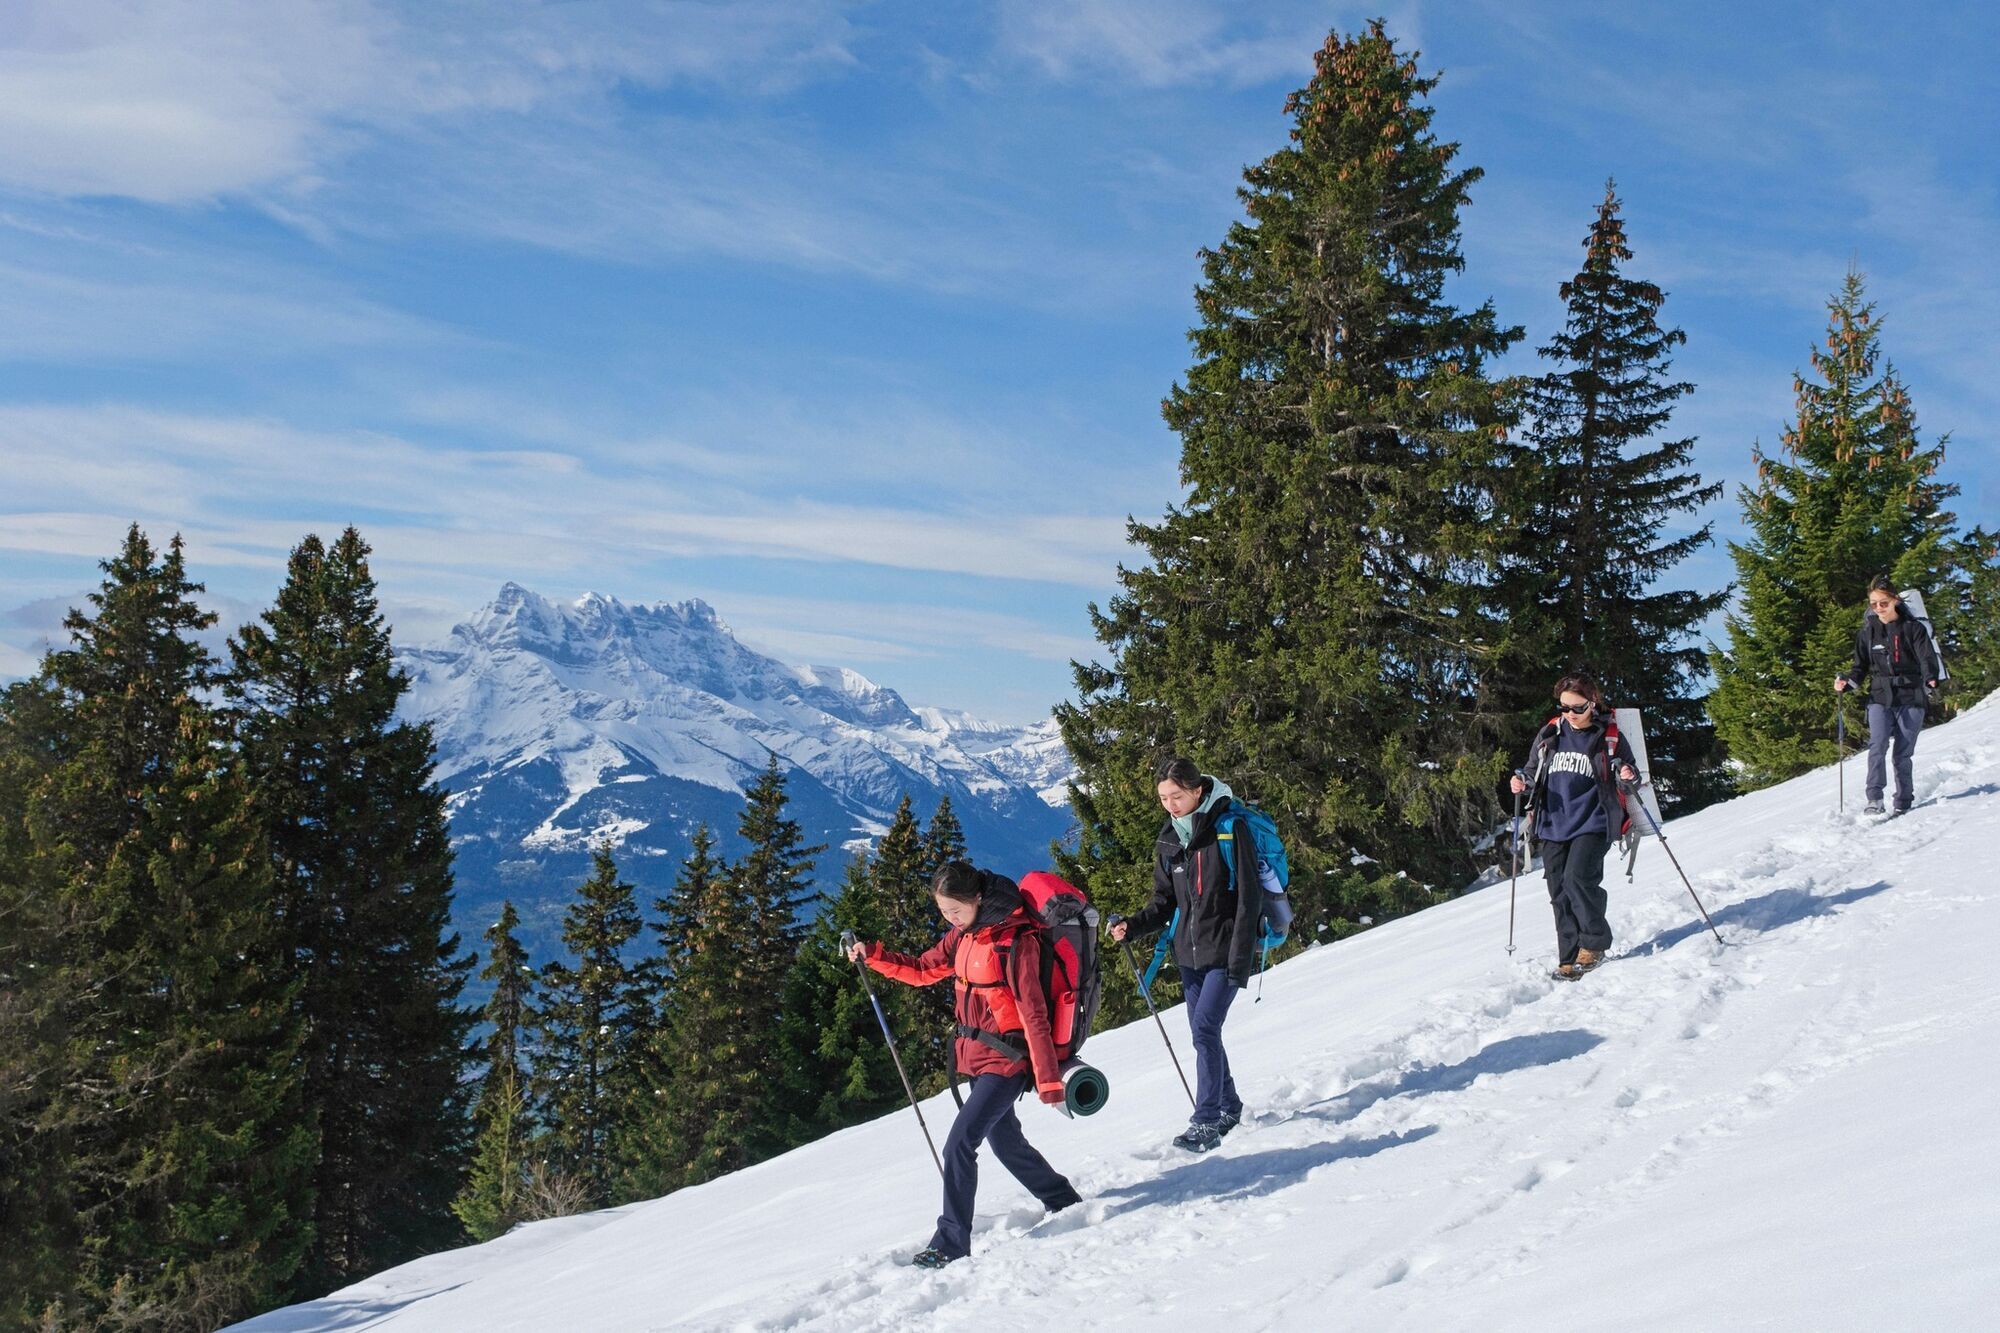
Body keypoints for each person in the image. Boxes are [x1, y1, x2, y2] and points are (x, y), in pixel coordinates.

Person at [847, 861, 1080, 1268]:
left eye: (955, 910)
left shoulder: (1015, 940)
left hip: (1007, 1060)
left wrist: (1048, 1080)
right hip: (975, 1056)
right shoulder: (963, 937)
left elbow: (1033, 1012)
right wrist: (873, 956)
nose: (950, 919)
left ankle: (951, 1241)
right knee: (1005, 1142)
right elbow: (922, 970)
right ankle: (1060, 1197)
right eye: (943, 912)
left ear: (978, 898)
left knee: (960, 1143)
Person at [1108, 757, 1263, 1153]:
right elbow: (1164, 903)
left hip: (1226, 951)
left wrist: (1239, 959)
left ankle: (1206, 1120)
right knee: (1203, 1033)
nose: (1170, 805)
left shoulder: (1230, 828)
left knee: (1205, 1030)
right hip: (1190, 957)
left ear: (1198, 790)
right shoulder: (1169, 839)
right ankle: (1229, 1106)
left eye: (1176, 796)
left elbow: (1249, 899)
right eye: (1163, 798)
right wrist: (1132, 924)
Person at [1510, 675, 1638, 980]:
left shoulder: (1608, 736)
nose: (1570, 713)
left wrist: (1627, 772)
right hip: (1553, 821)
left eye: (1577, 707)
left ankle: (1593, 945)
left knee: (1578, 878)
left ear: (1592, 702)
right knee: (1558, 890)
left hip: (1594, 820)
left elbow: (1629, 773)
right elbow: (1531, 771)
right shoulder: (1550, 733)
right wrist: (1522, 781)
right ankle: (1569, 955)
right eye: (1564, 707)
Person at [1835, 575, 1942, 815]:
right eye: (1873, 604)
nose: (1878, 608)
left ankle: (1903, 801)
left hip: (1911, 695)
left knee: (1902, 753)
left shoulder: (1913, 628)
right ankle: (1874, 799)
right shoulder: (1867, 633)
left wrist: (1930, 678)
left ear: (1894, 600)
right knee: (1877, 745)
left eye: (1883, 602)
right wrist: (1847, 684)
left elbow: (1927, 658)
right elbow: (1859, 668)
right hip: (1880, 696)